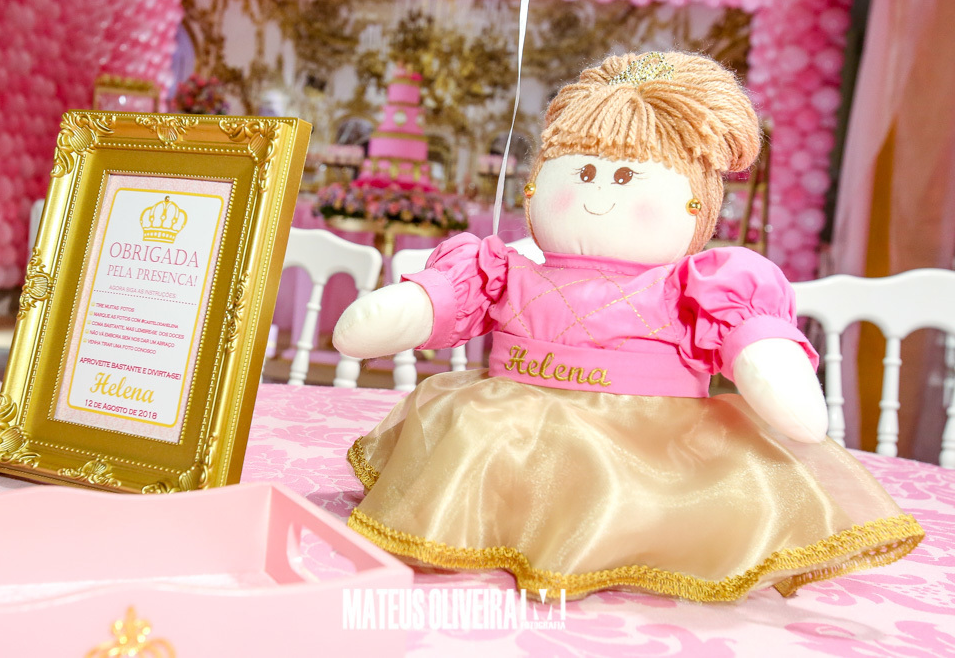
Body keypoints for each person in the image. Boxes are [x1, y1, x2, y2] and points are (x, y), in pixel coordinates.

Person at [333, 52, 924, 601]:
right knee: (469, 434)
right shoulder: (504, 267)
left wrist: (769, 361)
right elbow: (452, 298)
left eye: (622, 177)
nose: (596, 190)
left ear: (698, 202)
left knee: (668, 489)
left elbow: (747, 334)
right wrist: (412, 306)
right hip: (506, 428)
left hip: (647, 445)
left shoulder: (702, 283)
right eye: (583, 171)